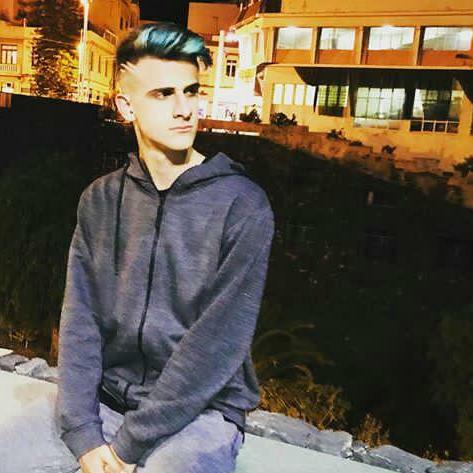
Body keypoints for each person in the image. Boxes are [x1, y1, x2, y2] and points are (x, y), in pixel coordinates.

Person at [0, 22, 275, 473]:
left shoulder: (242, 205)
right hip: (107, 401)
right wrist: (83, 431)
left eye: (190, 91)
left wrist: (126, 448)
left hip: (200, 413)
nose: (184, 109)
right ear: (126, 106)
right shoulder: (101, 199)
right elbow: (81, 319)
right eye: (163, 94)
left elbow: (215, 345)